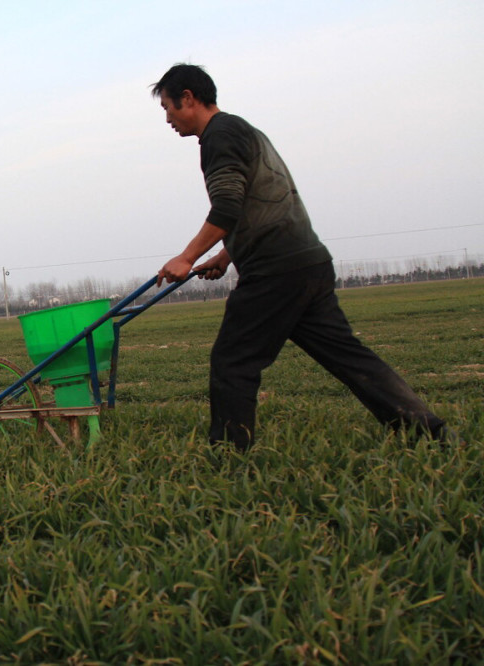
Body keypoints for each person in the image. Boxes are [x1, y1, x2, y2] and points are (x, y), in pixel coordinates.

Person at [151, 63, 451, 451]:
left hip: (275, 272)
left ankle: (228, 455)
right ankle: (430, 434)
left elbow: (227, 205)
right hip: (308, 263)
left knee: (233, 362)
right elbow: (258, 203)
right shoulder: (244, 131)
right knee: (349, 358)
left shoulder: (219, 137)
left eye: (168, 109)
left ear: (188, 98)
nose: (169, 119)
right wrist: (226, 255)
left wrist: (186, 257)